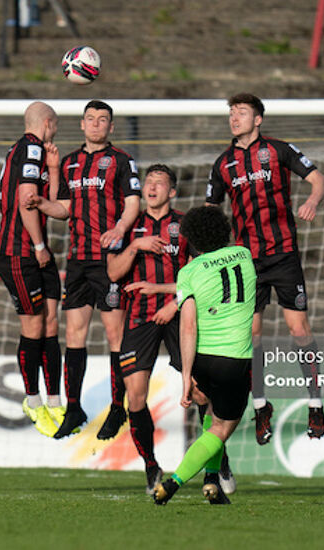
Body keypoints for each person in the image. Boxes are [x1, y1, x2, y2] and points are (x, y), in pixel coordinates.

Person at [206, 92, 324, 445]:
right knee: (251, 336)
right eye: (231, 112)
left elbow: (319, 180)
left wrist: (311, 200)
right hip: (246, 259)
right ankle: (261, 405)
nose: (234, 117)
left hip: (283, 253)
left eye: (241, 112)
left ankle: (316, 403)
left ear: (257, 119)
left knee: (299, 329)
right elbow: (210, 210)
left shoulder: (278, 150)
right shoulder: (222, 164)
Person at [30, 100, 141, 439]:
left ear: (110, 126)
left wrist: (120, 230)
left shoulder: (122, 161)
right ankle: (75, 407)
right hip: (78, 260)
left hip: (109, 260)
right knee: (74, 335)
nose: (96, 124)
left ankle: (117, 408)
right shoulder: (69, 163)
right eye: (90, 119)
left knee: (115, 335)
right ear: (81, 125)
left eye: (102, 119)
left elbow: (134, 203)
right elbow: (62, 207)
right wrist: (41, 201)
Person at [152, 206, 256, 506]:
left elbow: (188, 324)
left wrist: (186, 375)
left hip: (203, 358)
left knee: (212, 418)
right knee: (222, 428)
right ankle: (175, 481)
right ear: (224, 231)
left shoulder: (189, 272)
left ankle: (212, 483)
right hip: (234, 358)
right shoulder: (244, 255)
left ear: (192, 240)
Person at [105, 164, 190, 493]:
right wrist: (134, 247)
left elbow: (199, 276)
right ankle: (151, 467)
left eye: (160, 183)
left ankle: (217, 461)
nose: (152, 187)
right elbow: (113, 273)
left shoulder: (185, 226)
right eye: (148, 182)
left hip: (178, 313)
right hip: (139, 317)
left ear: (171, 192)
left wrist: (174, 303)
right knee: (136, 398)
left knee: (197, 390)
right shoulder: (129, 226)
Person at [0, 101, 64, 438]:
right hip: (19, 252)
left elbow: (45, 201)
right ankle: (32, 399)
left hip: (37, 250)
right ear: (47, 122)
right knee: (34, 325)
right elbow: (26, 200)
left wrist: (54, 168)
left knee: (51, 323)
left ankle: (54, 398)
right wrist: (38, 246)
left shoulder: (21, 151)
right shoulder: (31, 148)